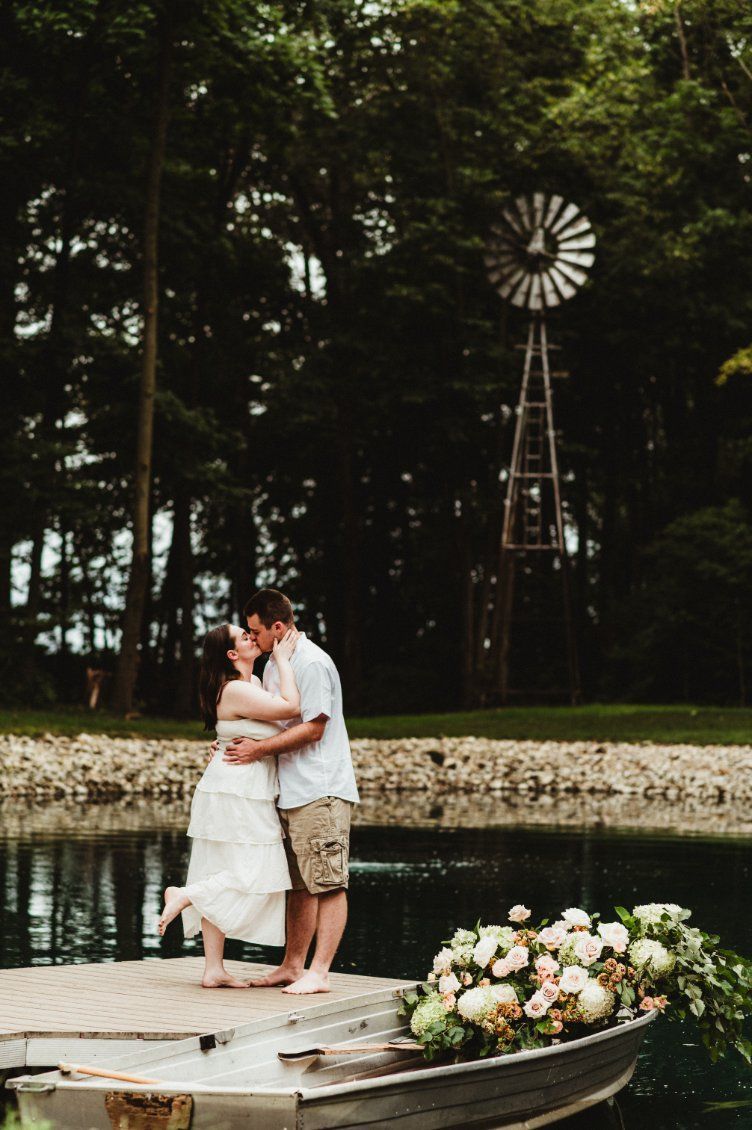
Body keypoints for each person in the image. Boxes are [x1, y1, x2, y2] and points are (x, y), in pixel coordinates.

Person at [222, 588, 359, 995]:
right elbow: (273, 721)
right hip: (288, 791)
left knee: (329, 882)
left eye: (255, 631)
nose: (252, 638)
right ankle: (292, 966)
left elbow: (314, 728)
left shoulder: (313, 663)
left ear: (277, 628)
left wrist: (258, 750)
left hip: (320, 791)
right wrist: (230, 740)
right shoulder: (274, 665)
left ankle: (319, 972)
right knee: (298, 884)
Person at [157, 623, 300, 988]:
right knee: (256, 868)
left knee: (224, 868)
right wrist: (282, 659)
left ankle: (213, 969)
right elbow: (292, 706)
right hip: (237, 791)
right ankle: (185, 894)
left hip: (238, 785)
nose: (254, 637)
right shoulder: (236, 688)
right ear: (232, 655)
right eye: (245, 637)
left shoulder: (249, 686)